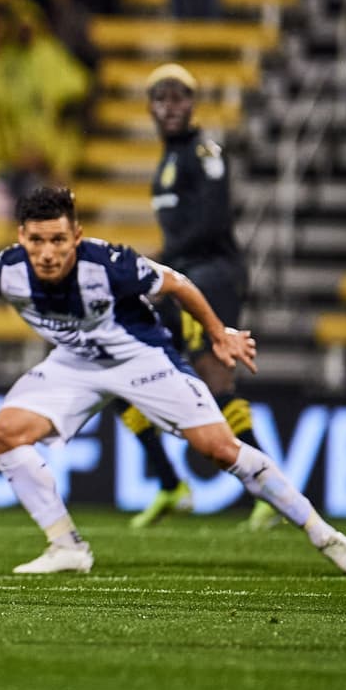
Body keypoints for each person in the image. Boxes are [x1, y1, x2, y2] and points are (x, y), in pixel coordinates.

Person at [0, 186, 346, 576]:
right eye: (37, 241)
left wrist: (218, 334)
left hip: (142, 358)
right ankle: (67, 546)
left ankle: (321, 532)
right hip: (74, 365)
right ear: (21, 237)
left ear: (77, 237)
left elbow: (177, 284)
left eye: (58, 241)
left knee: (218, 449)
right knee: (3, 434)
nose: (47, 252)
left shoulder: (109, 264)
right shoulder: (5, 269)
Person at [120, 63, 276, 530]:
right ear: (150, 106)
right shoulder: (171, 157)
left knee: (215, 380)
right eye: (162, 98)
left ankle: (267, 486)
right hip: (183, 277)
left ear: (193, 104)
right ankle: (170, 483)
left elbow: (209, 224)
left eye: (180, 97)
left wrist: (155, 262)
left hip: (209, 278)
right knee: (116, 362)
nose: (171, 106)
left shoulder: (203, 151)